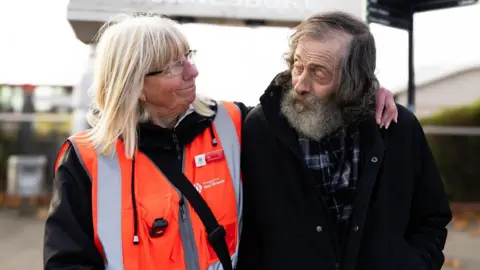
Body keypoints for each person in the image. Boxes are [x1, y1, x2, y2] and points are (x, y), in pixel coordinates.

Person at [43, 13, 398, 269]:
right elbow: (67, 261)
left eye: (188, 58)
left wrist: (366, 92)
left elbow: (308, 100)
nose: (192, 72)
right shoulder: (85, 159)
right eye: (173, 67)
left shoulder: (233, 123)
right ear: (133, 85)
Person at [237, 11, 452, 270]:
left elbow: (431, 217)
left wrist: (415, 264)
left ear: (353, 80)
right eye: (298, 66)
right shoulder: (261, 128)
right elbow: (246, 226)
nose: (301, 85)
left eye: (319, 73)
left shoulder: (397, 128)